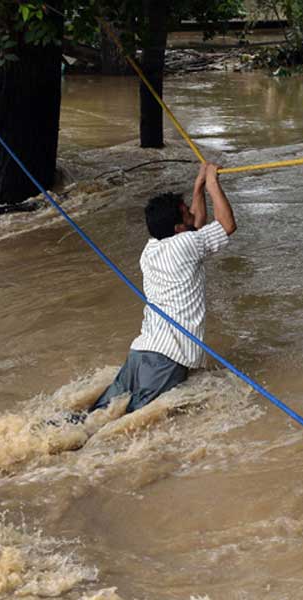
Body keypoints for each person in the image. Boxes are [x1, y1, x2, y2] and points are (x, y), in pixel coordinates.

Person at [69, 162, 237, 423]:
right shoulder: (186, 245)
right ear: (179, 229)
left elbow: (195, 223)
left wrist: (198, 186)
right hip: (166, 359)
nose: (192, 215)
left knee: (95, 418)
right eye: (186, 214)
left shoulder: (151, 249)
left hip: (141, 352)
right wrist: (214, 183)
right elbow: (226, 224)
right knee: (124, 428)